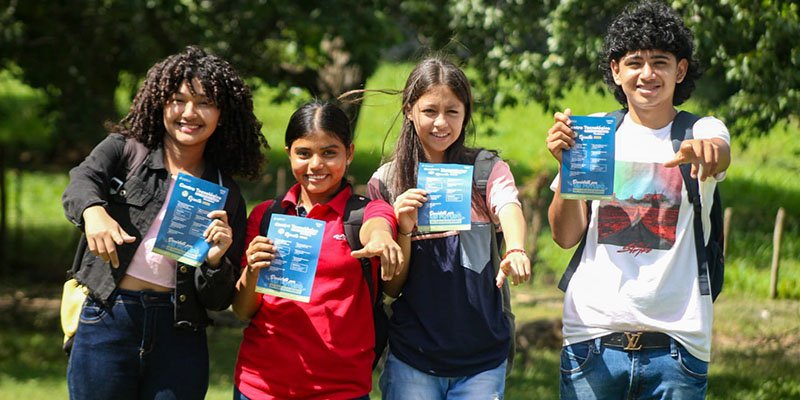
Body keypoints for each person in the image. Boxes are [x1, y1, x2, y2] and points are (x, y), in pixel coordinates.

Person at [545, 1, 732, 398]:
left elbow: (719, 149)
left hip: (678, 346)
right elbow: (565, 236)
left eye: (660, 62)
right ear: (616, 70)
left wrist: (711, 152)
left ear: (679, 70)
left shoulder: (700, 129)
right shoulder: (594, 135)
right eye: (634, 62)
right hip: (590, 339)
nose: (647, 74)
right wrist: (567, 166)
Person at [62, 45, 268, 400]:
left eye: (204, 102)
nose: (189, 113)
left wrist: (216, 260)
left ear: (223, 114)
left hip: (180, 331)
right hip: (108, 316)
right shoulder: (125, 150)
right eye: (177, 99)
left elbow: (219, 300)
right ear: (160, 103)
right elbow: (81, 182)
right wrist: (93, 211)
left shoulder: (226, 193)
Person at [367, 56, 531, 399]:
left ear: (465, 114)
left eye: (452, 111)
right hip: (411, 358)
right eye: (429, 111)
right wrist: (404, 230)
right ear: (409, 110)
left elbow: (509, 206)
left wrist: (515, 248)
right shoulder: (385, 182)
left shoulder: (486, 170)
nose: (441, 123)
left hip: (482, 360)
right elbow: (392, 288)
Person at [232, 101, 403, 400]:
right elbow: (243, 310)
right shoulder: (264, 216)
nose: (315, 165)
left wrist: (382, 239)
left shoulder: (365, 213)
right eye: (304, 153)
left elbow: (378, 224)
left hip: (340, 391)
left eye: (329, 153)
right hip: (260, 387)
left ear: (348, 153)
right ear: (289, 154)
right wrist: (252, 268)